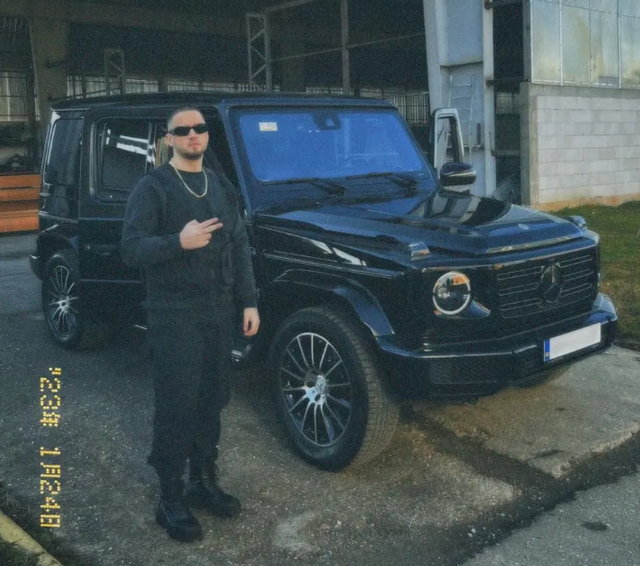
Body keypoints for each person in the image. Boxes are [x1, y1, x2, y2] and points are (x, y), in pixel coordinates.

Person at [121, 107, 260, 542]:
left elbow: (238, 244)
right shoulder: (153, 187)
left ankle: (202, 482)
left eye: (199, 128)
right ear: (169, 139)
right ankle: (170, 498)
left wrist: (249, 302)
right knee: (177, 405)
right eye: (182, 130)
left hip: (218, 312)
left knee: (212, 398)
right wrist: (178, 242)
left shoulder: (220, 185)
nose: (193, 134)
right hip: (173, 314)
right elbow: (130, 248)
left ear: (207, 135)